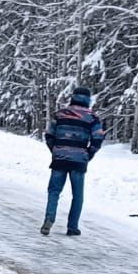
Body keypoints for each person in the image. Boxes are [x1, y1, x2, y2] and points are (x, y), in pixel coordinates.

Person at [40, 86, 105, 236]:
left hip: (60, 158)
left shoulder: (60, 114)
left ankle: (49, 219)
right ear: (88, 100)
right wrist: (88, 154)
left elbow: (49, 135)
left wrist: (56, 150)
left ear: (73, 97)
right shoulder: (93, 117)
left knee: (54, 191)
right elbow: (97, 138)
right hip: (79, 160)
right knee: (77, 195)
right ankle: (72, 226)